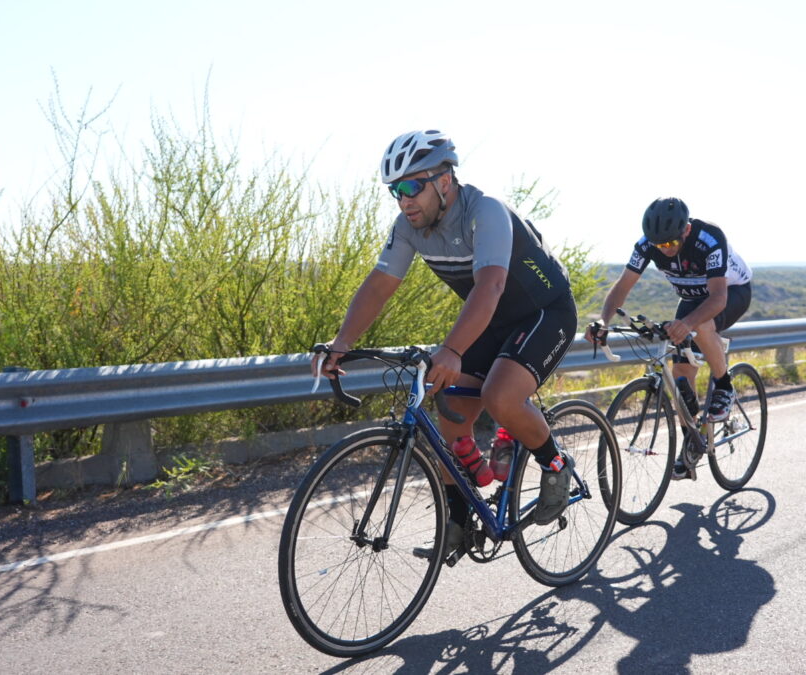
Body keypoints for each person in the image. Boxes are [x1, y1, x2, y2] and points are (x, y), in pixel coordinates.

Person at [312, 129, 578, 557]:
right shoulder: (409, 228)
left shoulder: (485, 211)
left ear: (444, 181)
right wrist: (341, 342)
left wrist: (452, 349)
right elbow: (379, 285)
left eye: (411, 186)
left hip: (544, 312)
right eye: (395, 191)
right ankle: (459, 519)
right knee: (447, 402)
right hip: (491, 321)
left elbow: (490, 286)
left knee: (499, 396)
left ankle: (556, 463)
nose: (403, 200)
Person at [587, 197, 752, 479]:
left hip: (729, 294)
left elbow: (718, 298)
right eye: (658, 245)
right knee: (680, 374)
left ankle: (724, 385)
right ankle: (691, 443)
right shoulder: (647, 244)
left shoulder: (709, 239)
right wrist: (604, 320)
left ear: (686, 230)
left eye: (669, 244)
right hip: (690, 297)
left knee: (700, 328)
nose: (664, 250)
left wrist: (688, 323)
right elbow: (623, 286)